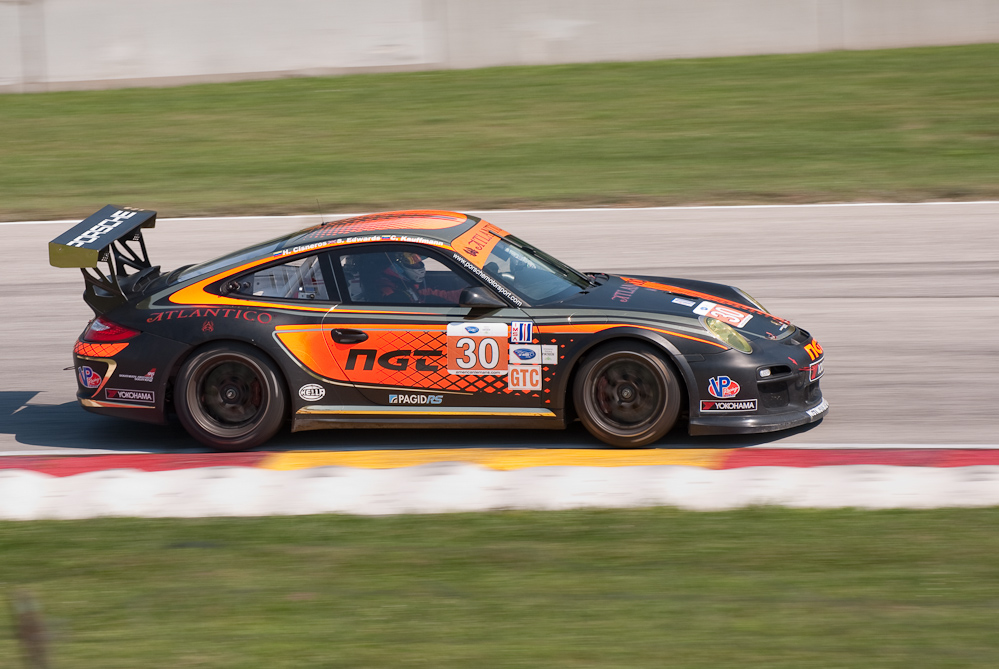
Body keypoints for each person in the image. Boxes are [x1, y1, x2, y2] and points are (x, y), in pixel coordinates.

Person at [378, 252, 464, 304]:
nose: (419, 266)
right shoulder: (390, 289)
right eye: (414, 263)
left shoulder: (407, 283)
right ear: (398, 266)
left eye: (419, 263)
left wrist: (460, 295)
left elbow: (430, 293)